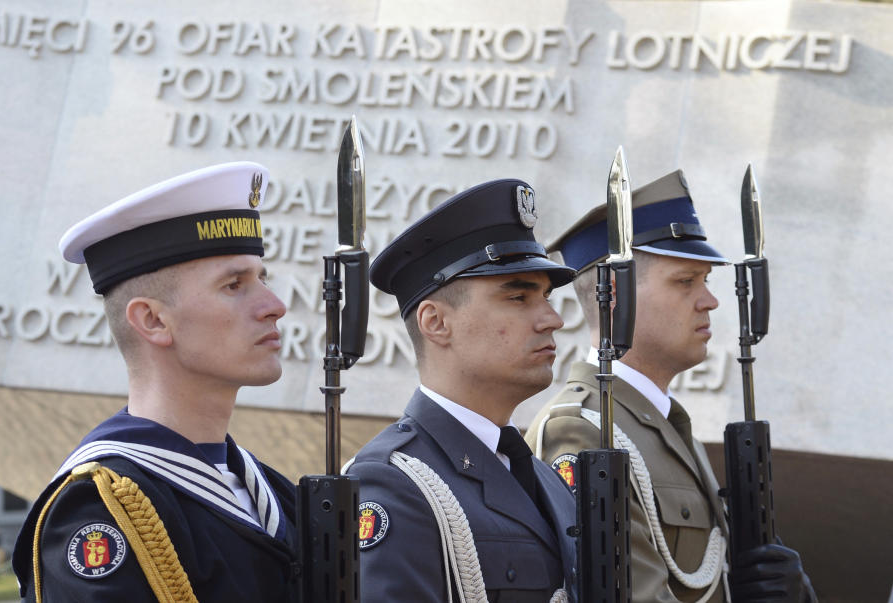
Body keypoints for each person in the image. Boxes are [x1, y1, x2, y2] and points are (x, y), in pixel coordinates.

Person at [11, 163, 298, 601]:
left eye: (263, 279)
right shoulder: (101, 509)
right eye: (234, 285)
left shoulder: (276, 493)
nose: (274, 305)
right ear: (153, 320)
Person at [527, 170, 816, 602]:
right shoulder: (582, 429)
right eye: (685, 282)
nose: (710, 301)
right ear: (617, 294)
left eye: (706, 280)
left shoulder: (665, 423)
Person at [345, 180, 580, 602]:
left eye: (545, 296)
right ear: (435, 322)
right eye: (518, 297)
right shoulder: (391, 485)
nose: (551, 319)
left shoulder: (544, 478)